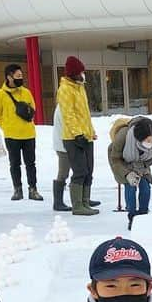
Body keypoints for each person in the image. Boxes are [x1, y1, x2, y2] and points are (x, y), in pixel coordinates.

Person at [0, 63, 42, 202]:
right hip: (11, 136)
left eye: (21, 75)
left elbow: (33, 109)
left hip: (28, 134)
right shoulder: (0, 95)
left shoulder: (26, 92)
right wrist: (6, 127)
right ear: (9, 77)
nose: (21, 78)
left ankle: (33, 189)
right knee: (14, 164)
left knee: (31, 163)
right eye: (18, 76)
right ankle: (17, 189)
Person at [56, 56, 99, 216]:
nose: (83, 74)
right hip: (73, 138)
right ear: (74, 73)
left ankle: (85, 201)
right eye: (80, 71)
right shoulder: (65, 90)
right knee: (80, 171)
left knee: (89, 170)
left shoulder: (80, 87)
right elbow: (69, 115)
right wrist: (78, 134)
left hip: (86, 136)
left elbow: (84, 114)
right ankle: (78, 205)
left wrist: (90, 131)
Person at [107, 116, 152, 230]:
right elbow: (115, 159)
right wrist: (127, 174)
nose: (151, 144)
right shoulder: (123, 136)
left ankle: (143, 216)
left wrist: (144, 165)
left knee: (146, 188)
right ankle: (132, 217)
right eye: (148, 141)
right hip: (123, 163)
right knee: (131, 187)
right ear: (140, 137)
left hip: (142, 164)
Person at [51, 105, 71, 212]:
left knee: (79, 170)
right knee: (63, 172)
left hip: (67, 143)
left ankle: (81, 198)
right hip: (63, 145)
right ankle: (58, 202)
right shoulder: (63, 108)